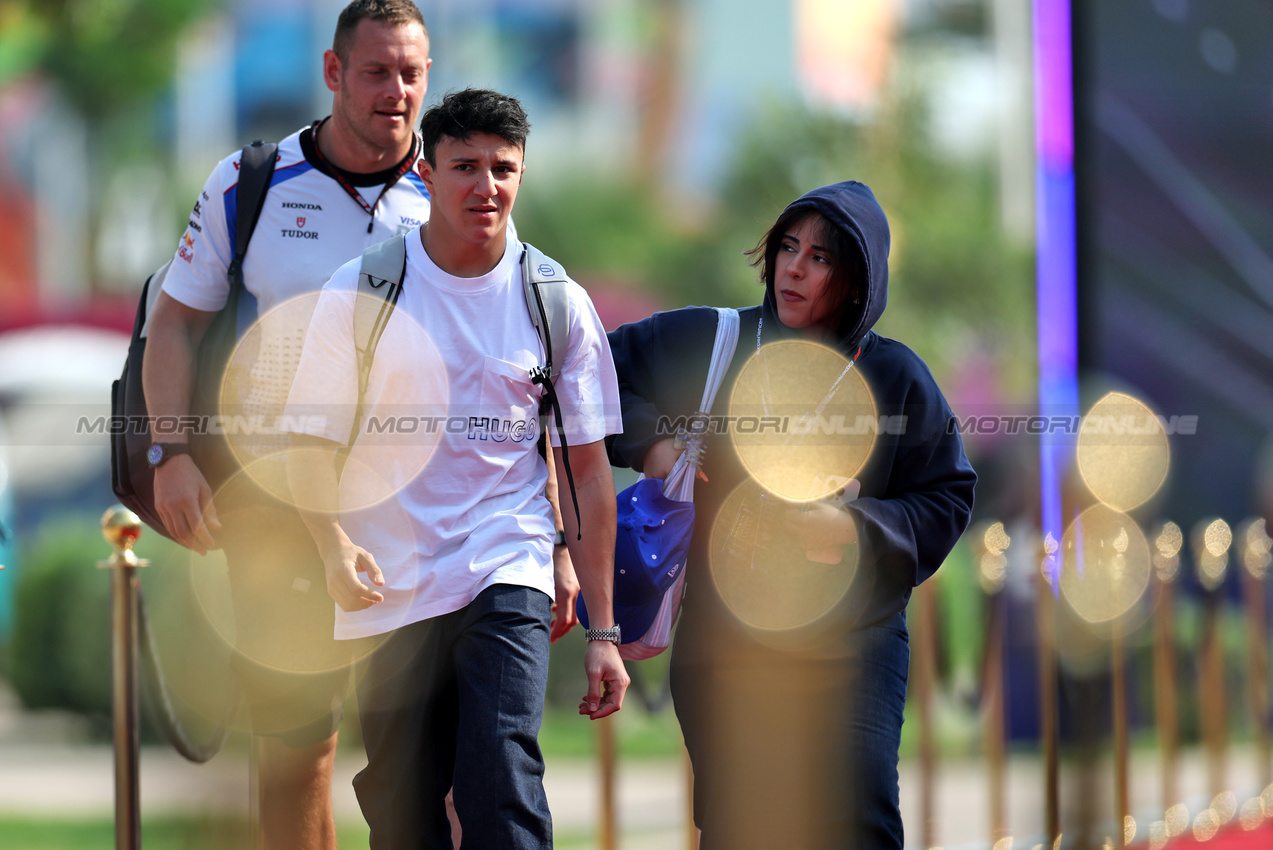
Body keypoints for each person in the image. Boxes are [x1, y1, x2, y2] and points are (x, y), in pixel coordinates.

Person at [142, 4, 575, 847]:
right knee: (295, 743)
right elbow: (175, 323)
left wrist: (555, 533)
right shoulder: (251, 183)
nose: (397, 92)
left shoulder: (457, 181)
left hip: (424, 511)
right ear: (335, 73)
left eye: (412, 72)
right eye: (376, 72)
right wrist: (171, 452)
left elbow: (523, 364)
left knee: (434, 760)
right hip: (277, 496)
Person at [282, 88, 629, 849]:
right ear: (427, 177)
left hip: (504, 561)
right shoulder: (361, 290)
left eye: (502, 168)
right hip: (388, 581)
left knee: (500, 775)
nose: (485, 186)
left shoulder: (554, 302)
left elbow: (587, 474)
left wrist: (602, 626)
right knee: (402, 805)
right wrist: (333, 547)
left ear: (522, 174)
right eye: (464, 166)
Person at [605, 181, 976, 848]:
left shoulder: (895, 377)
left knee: (854, 819)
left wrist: (854, 527)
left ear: (857, 281)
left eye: (820, 258)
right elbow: (587, 374)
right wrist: (650, 442)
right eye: (786, 248)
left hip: (852, 644)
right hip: (724, 640)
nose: (794, 269)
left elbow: (946, 494)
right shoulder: (712, 339)